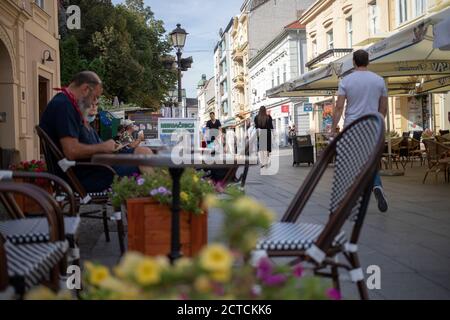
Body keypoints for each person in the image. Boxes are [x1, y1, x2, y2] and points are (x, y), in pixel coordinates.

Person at [39, 71, 153, 193]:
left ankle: (157, 198)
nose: (94, 102)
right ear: (86, 89)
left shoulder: (69, 104)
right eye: (95, 97)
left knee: (143, 151)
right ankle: (160, 199)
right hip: (87, 176)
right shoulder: (64, 106)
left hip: (97, 167)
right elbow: (71, 151)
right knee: (145, 160)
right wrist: (103, 147)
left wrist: (109, 148)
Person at [331, 49, 389, 213]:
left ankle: (349, 200)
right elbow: (383, 107)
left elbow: (339, 107)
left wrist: (333, 127)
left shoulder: (346, 81)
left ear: (354, 62)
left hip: (352, 126)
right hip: (372, 126)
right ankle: (376, 186)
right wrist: (379, 122)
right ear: (368, 61)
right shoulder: (379, 81)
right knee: (369, 161)